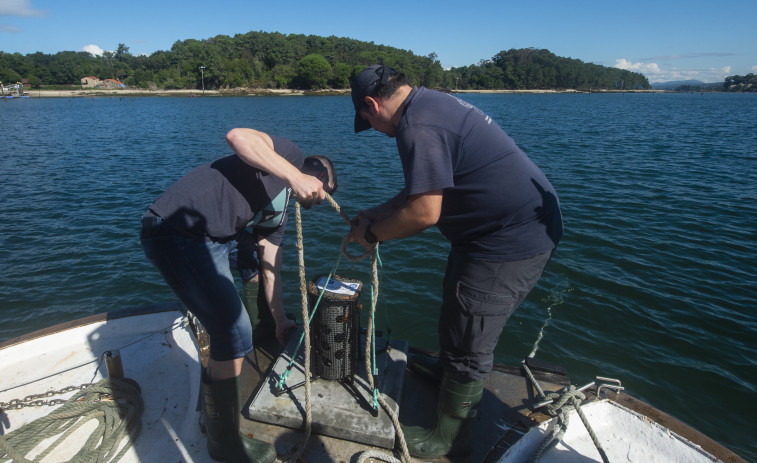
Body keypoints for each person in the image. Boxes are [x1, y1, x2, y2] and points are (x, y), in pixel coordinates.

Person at [346, 65, 562, 458]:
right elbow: (425, 187)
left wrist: (374, 235)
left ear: (371, 105)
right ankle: (449, 372)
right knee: (457, 305)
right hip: (487, 233)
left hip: (509, 240)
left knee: (471, 327)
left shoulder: (418, 126)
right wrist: (378, 212)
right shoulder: (428, 105)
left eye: (367, 123)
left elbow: (425, 212)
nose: (375, 131)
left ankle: (451, 436)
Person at [140, 128, 337, 463]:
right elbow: (237, 137)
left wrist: (279, 319)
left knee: (255, 263)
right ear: (316, 174)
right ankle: (223, 442)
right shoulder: (289, 154)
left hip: (221, 237)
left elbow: (271, 260)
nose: (315, 198)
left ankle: (262, 332)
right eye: (321, 189)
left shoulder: (277, 214)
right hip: (175, 231)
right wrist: (295, 174)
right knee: (232, 332)